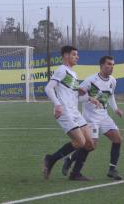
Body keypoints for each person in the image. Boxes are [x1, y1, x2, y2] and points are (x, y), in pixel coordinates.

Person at [62, 56, 124, 180]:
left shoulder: (113, 80)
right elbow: (78, 97)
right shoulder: (90, 80)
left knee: (117, 139)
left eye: (113, 65)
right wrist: (90, 99)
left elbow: (110, 96)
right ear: (101, 65)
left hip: (104, 116)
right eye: (109, 64)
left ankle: (112, 169)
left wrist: (115, 109)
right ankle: (69, 160)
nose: (111, 67)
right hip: (90, 118)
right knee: (91, 146)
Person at [43, 45, 96, 181]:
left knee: (90, 144)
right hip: (64, 111)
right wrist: (58, 105)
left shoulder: (73, 74)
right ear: (66, 56)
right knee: (80, 141)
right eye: (74, 54)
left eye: (77, 54)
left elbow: (74, 96)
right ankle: (51, 159)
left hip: (74, 111)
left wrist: (88, 97)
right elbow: (49, 88)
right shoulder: (62, 70)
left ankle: (74, 172)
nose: (77, 57)